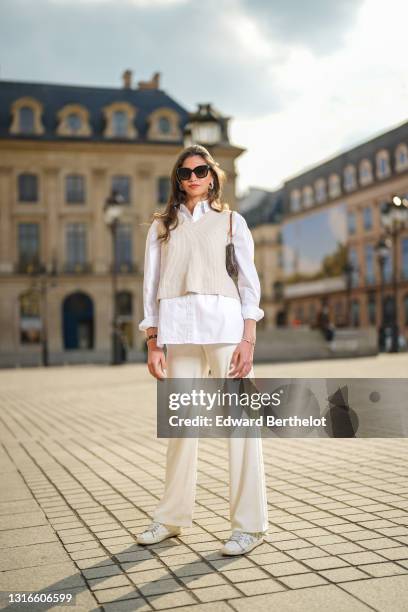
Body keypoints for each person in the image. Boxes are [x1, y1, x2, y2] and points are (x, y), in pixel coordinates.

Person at [136, 144, 269, 556]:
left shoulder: (233, 222)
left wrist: (248, 338)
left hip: (225, 326)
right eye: (184, 172)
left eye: (200, 170)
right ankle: (172, 518)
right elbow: (151, 286)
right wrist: (153, 341)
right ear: (178, 179)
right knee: (181, 428)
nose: (192, 178)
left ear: (212, 176)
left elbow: (248, 283)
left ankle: (249, 526)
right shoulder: (162, 226)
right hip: (178, 328)